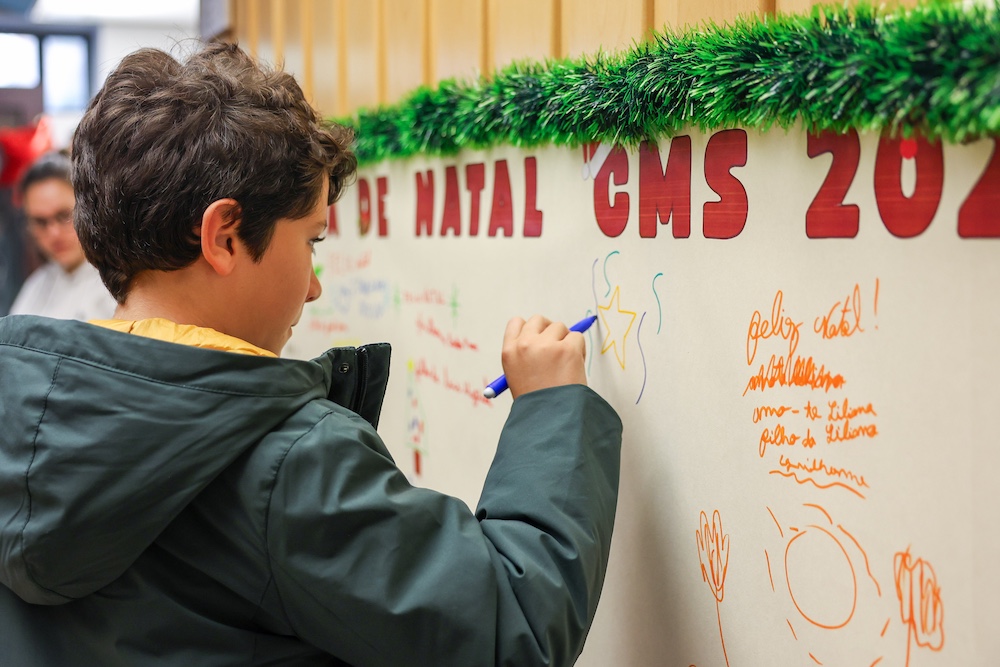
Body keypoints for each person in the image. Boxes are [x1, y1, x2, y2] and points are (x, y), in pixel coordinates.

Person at [0, 42, 622, 666]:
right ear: (224, 237)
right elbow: (515, 628)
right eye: (312, 240)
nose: (315, 284)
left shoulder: (19, 416)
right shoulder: (285, 464)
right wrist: (551, 408)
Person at [8, 150, 115, 319]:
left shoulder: (117, 288)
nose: (54, 233)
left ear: (87, 208)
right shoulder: (37, 285)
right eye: (40, 222)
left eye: (64, 215)